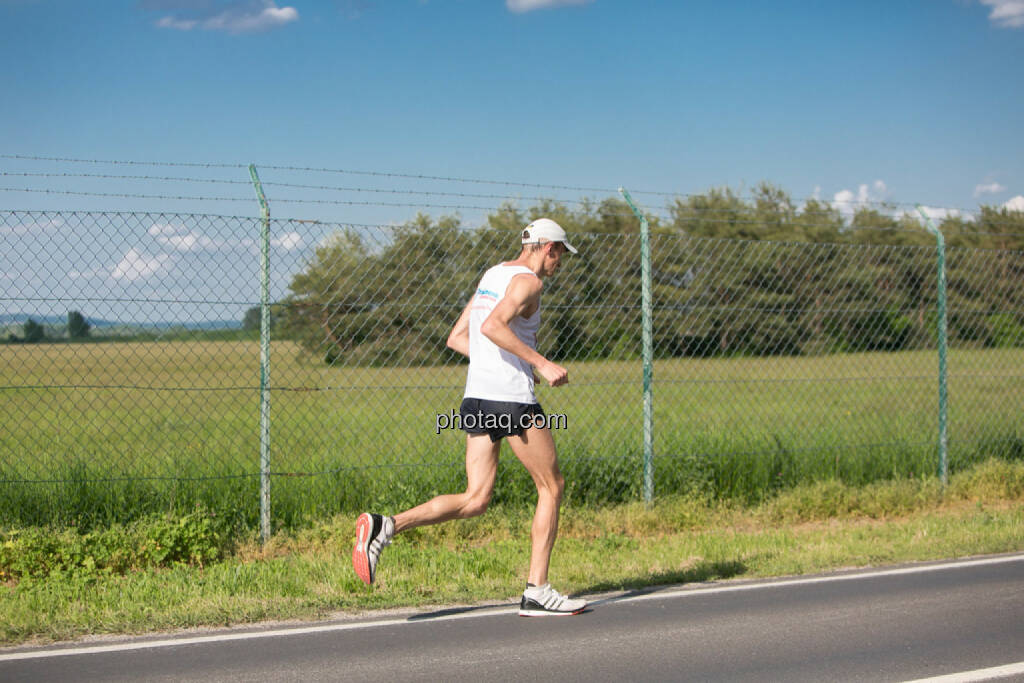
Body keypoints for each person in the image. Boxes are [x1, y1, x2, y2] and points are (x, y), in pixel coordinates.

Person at [352, 218, 586, 617]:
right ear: (548, 248)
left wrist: (512, 363)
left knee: (476, 498)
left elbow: (459, 336)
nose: (559, 262)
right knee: (552, 487)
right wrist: (540, 364)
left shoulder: (492, 273)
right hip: (512, 402)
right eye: (560, 253)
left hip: (478, 397)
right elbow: (494, 326)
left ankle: (386, 526)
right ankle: (537, 590)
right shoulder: (530, 283)